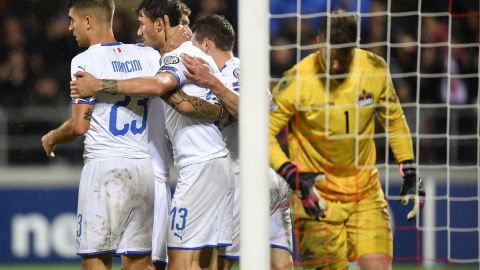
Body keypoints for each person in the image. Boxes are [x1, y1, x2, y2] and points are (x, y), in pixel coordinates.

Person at [70, 1, 234, 269]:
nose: (138, 32)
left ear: (161, 24)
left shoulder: (175, 58)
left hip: (189, 169)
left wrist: (99, 84)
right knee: (205, 262)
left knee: (177, 261)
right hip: (213, 164)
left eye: (142, 24)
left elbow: (159, 85)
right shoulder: (171, 57)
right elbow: (206, 108)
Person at [268, 9, 425, 270]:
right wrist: (291, 174)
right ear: (319, 42)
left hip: (365, 193)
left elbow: (394, 119)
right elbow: (264, 135)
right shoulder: (297, 81)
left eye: (345, 56)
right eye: (332, 57)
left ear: (356, 45)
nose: (338, 65)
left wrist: (408, 168)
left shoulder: (374, 69)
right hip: (316, 198)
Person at [41, 0, 160, 269]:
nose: (69, 27)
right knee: (139, 262)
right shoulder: (147, 56)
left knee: (95, 260)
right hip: (143, 168)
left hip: (106, 169)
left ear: (88, 22)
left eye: (72, 20)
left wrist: (52, 137)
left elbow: (79, 126)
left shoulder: (85, 61)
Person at [180, 15, 294, 270]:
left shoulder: (228, 74)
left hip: (243, 179)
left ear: (206, 45)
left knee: (217, 263)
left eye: (194, 46)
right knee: (281, 265)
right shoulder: (247, 70)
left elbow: (249, 111)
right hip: (271, 178)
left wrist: (212, 84)